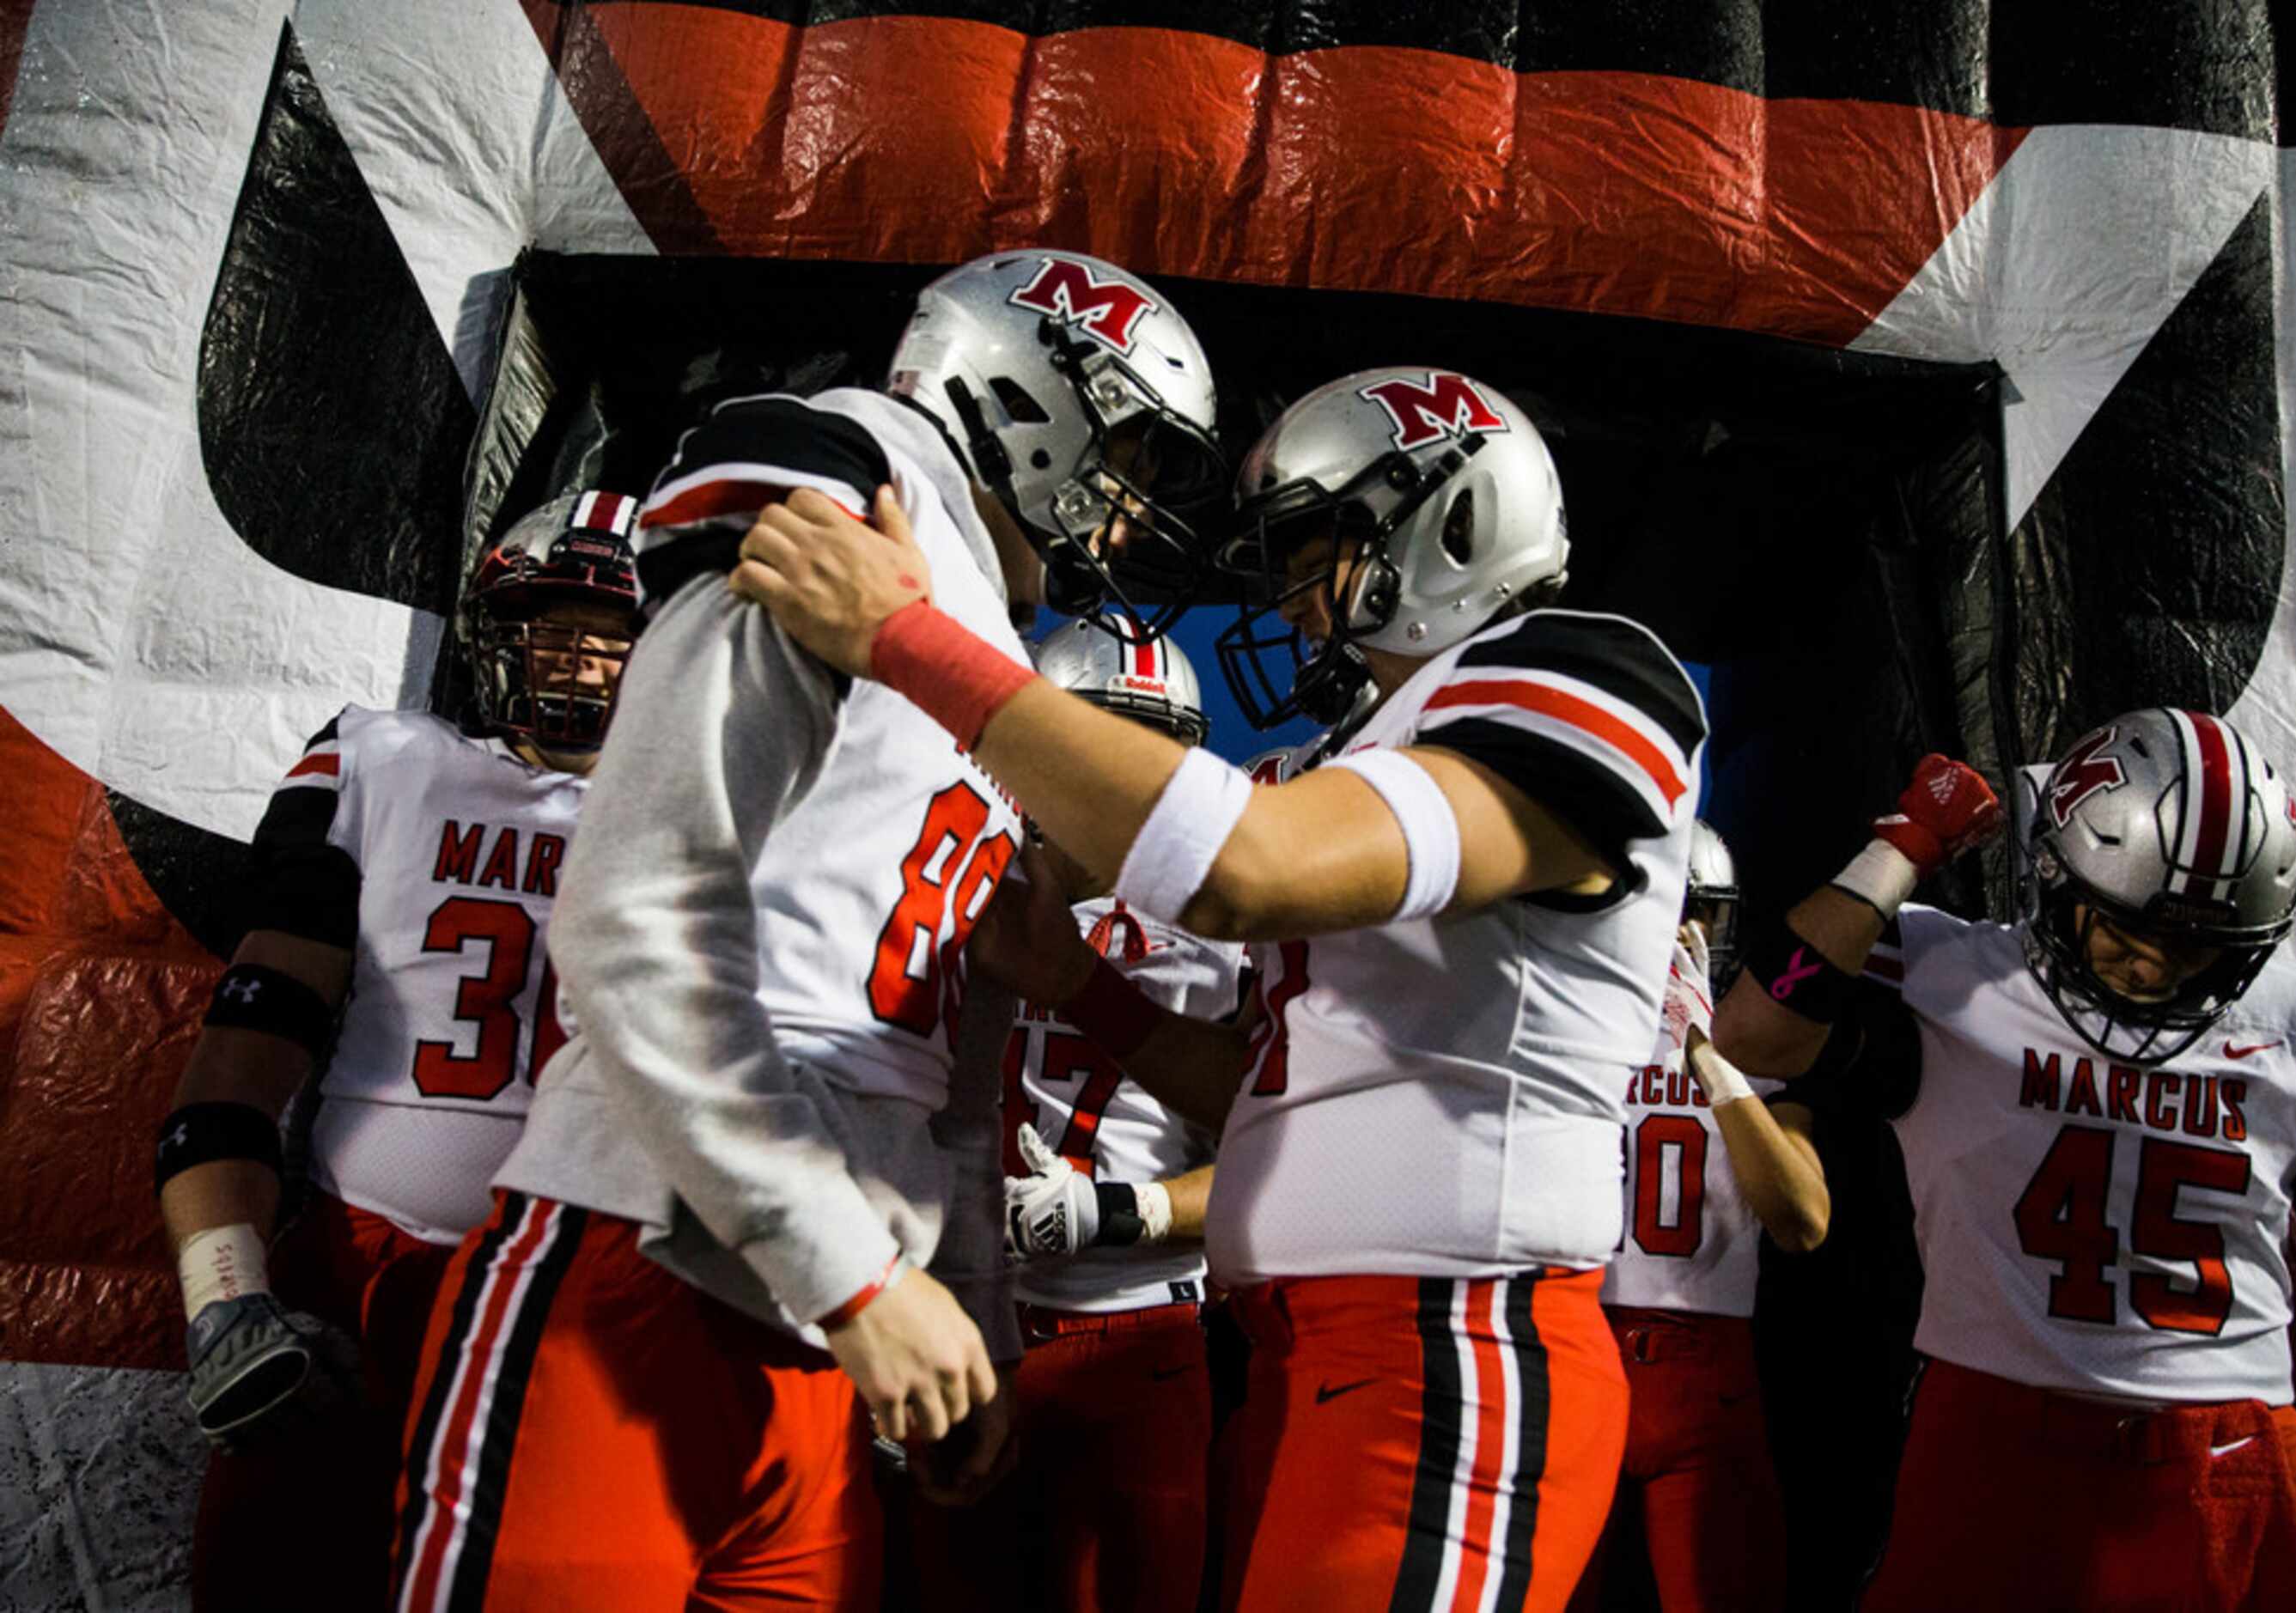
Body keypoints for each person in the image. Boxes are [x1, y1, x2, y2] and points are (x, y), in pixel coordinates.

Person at [728, 367, 1708, 1610]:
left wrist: (915, 643)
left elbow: (1247, 867)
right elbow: (1263, 1093)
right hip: (1315, 1350)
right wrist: (1080, 983)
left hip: (1455, 1337)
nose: (1295, 603)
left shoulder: (1581, 668)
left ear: (1449, 521)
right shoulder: (1382, 738)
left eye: (1317, 547)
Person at [390, 250, 1224, 1612]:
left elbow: (952, 1064)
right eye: (1125, 450)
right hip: (650, 1249)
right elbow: (636, 907)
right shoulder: (840, 491)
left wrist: (962, 1311)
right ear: (1026, 391)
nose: (1128, 517)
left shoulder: (977, 642)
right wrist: (856, 1280)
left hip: (844, 1313)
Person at [1712, 712, 2296, 1612]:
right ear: (2052, 876)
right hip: (1993, 1433)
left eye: (2196, 945)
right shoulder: (1955, 983)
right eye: (2123, 929)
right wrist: (1902, 846)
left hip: (2229, 1452)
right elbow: (1750, 1031)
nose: (2152, 968)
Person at [153, 491, 643, 1611]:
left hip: (593, 1302)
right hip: (363, 1273)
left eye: (613, 628)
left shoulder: (723, 823)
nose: (575, 652)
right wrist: (227, 1296)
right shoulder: (387, 763)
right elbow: (239, 1064)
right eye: (550, 619)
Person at [901, 617, 1241, 1613]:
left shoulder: (1225, 928)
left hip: (1132, 1343)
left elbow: (1279, 1163)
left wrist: (1116, 1213)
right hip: (948, 1328)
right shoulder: (947, 884)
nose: (1119, 779)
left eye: (1151, 752)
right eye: (1096, 741)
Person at [1582, 821, 1827, 1612]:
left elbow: (1803, 1220)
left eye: (1701, 913)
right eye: (1659, 910)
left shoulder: (1755, 1045)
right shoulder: (1554, 1033)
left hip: (1705, 1377)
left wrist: (1706, 1051)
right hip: (1567, 1347)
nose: (1681, 935)